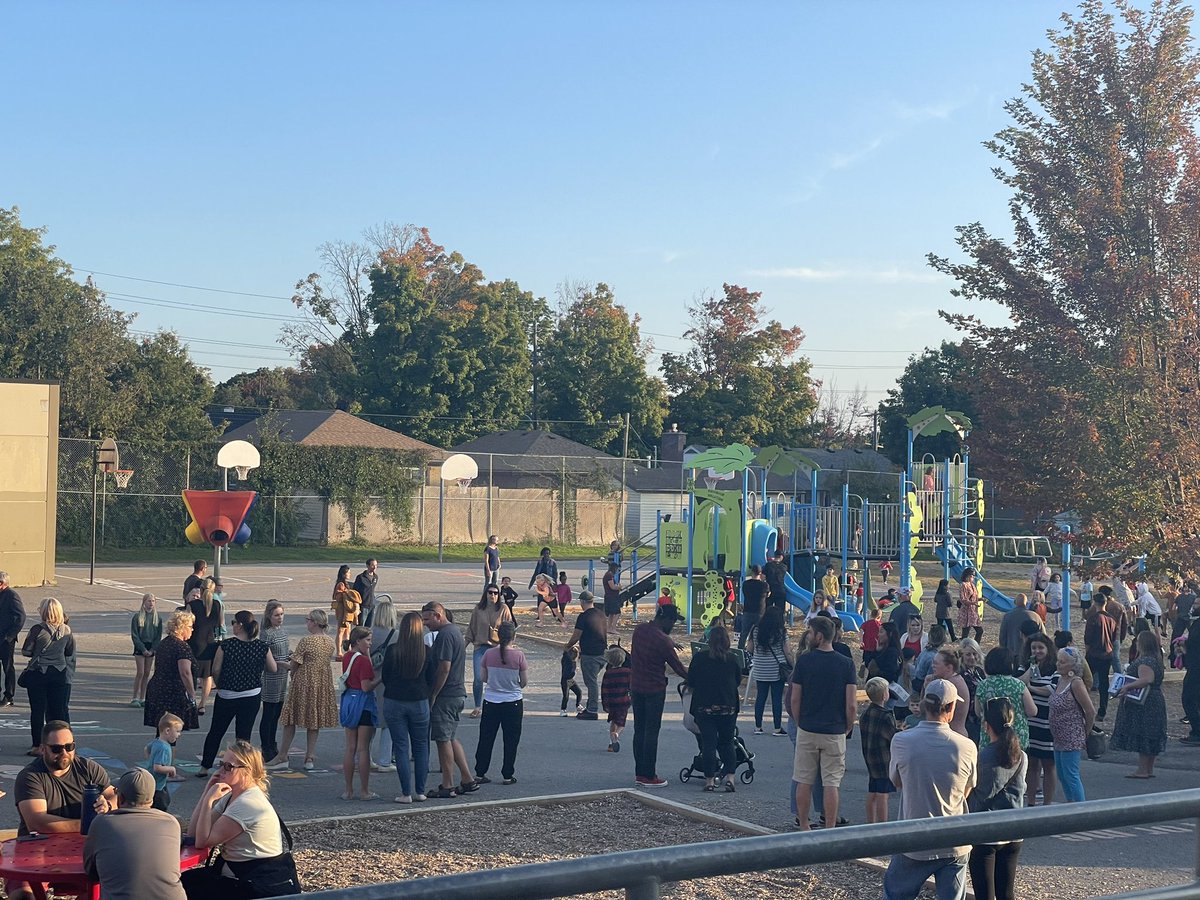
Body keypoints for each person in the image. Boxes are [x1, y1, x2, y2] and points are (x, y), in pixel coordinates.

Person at [883, 679, 978, 900]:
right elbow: (966, 790)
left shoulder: (902, 740)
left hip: (913, 838)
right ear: (952, 707)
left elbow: (898, 782)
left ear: (924, 703)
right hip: (954, 840)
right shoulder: (966, 746)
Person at [184, 740, 297, 900]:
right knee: (181, 884)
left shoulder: (247, 803)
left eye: (228, 767)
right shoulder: (232, 796)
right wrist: (206, 793)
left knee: (182, 889)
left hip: (253, 884)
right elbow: (193, 833)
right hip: (239, 876)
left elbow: (202, 842)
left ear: (247, 771)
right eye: (222, 764)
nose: (221, 770)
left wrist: (209, 801)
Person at [791, 616, 857, 832]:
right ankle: (829, 825)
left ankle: (803, 825)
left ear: (819, 636)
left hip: (809, 726)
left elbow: (795, 698)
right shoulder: (846, 664)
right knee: (831, 782)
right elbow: (851, 704)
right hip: (834, 729)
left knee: (804, 779)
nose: (808, 636)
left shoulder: (804, 661)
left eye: (810, 632)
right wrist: (848, 725)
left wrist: (800, 720)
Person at [82, 767, 186, 900]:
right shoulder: (171, 823)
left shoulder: (102, 823)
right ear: (152, 798)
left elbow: (91, 872)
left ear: (120, 798)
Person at [198, 610, 277, 778]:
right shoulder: (261, 646)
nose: (232, 625)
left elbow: (216, 669)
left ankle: (205, 766)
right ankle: (242, 768)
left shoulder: (227, 645)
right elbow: (273, 668)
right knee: (243, 734)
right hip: (251, 694)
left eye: (233, 622)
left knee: (216, 731)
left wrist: (220, 684)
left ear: (240, 625)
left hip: (228, 694)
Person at [967, 697, 1028, 900]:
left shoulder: (985, 756)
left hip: (986, 831)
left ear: (986, 726)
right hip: (1014, 828)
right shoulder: (1021, 755)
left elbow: (984, 794)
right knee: (1006, 894)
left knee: (984, 895)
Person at [269, 609, 338, 771]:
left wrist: (278, 662)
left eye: (308, 620)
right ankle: (309, 757)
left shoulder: (307, 641)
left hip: (304, 682)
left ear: (314, 622)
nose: (306, 623)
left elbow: (293, 665)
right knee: (314, 721)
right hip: (321, 683)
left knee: (290, 718)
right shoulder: (329, 642)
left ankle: (283, 755)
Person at [630, 604, 688, 787]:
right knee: (651, 732)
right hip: (654, 689)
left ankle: (640, 772)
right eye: (673, 621)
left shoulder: (639, 630)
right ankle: (649, 775)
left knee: (639, 730)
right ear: (667, 620)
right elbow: (678, 668)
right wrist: (698, 678)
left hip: (636, 686)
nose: (673, 625)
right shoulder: (663, 640)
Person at [423, 601, 477, 798]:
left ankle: (447, 784)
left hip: (446, 694)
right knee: (451, 737)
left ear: (438, 615)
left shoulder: (445, 635)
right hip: (456, 692)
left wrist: (434, 694)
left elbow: (444, 667)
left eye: (427, 619)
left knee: (443, 739)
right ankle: (467, 778)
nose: (425, 624)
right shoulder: (454, 631)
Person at [381, 611, 431, 803]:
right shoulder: (426, 651)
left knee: (401, 747)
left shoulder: (393, 650)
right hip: (419, 701)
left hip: (395, 700)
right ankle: (420, 790)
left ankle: (405, 793)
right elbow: (432, 678)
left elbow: (385, 677)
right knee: (421, 746)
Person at [686, 625, 742, 792]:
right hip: (728, 706)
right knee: (727, 742)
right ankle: (730, 778)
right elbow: (737, 681)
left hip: (705, 706)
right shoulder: (732, 659)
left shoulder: (700, 658)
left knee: (708, 743)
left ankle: (709, 780)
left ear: (709, 641)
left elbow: (692, 680)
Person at [474, 622, 527, 786]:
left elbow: (483, 678)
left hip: (491, 700)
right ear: (514, 637)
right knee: (511, 739)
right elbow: (523, 682)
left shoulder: (489, 654)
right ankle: (507, 774)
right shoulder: (519, 656)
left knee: (486, 738)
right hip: (513, 701)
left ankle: (480, 772)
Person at [1110, 629, 1168, 778]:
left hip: (1146, 701)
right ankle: (1149, 769)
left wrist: (1127, 686)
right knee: (1152, 733)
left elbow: (1146, 679)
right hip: (1155, 699)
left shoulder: (1145, 661)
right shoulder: (1157, 659)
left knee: (1144, 732)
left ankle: (1142, 770)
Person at [21, 598, 76, 755]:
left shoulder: (38, 629)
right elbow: (69, 652)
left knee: (37, 710)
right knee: (58, 710)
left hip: (39, 673)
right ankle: (64, 743)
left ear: (44, 612)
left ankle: (38, 745)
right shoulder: (67, 630)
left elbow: (26, 651)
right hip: (59, 672)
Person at [339, 626, 380, 801]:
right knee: (363, 749)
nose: (370, 644)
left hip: (349, 700)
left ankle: (348, 790)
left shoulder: (348, 656)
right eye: (368, 640)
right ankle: (364, 790)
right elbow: (366, 686)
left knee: (350, 747)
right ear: (358, 641)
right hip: (363, 703)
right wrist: (379, 678)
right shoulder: (363, 661)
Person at [144, 610, 200, 734]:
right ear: (182, 627)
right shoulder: (182, 647)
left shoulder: (164, 643)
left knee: (163, 731)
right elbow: (185, 672)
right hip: (173, 693)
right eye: (190, 627)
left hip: (158, 689)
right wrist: (192, 694)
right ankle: (165, 753)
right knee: (172, 732)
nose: (192, 630)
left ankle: (159, 752)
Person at [1049, 647, 1093, 803]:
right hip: (1058, 736)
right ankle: (1070, 805)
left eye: (1063, 662)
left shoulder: (1076, 683)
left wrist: (1085, 732)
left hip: (1071, 735)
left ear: (1072, 665)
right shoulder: (1061, 680)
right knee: (1062, 775)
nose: (1058, 665)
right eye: (1058, 661)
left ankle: (1080, 810)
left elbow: (1090, 710)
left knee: (1071, 775)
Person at [1019, 633, 1058, 805]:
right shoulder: (1025, 666)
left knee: (1049, 765)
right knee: (1032, 764)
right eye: (1034, 648)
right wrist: (1031, 667)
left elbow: (1052, 689)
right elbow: (1019, 683)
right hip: (1031, 724)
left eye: (1040, 648)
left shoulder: (1055, 668)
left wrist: (1031, 688)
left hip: (1047, 723)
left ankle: (1047, 804)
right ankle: (1031, 801)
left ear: (1048, 649)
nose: (1037, 651)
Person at [466, 585, 514, 717]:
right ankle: (477, 706)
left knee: (496, 678)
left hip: (497, 648)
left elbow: (509, 629)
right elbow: (471, 629)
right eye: (490, 593)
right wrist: (461, 648)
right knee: (478, 678)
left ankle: (497, 705)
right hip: (481, 647)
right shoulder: (478, 609)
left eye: (496, 593)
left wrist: (509, 648)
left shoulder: (503, 609)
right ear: (485, 594)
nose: (493, 595)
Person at [975, 647, 1037, 750]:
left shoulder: (982, 685)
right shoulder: (1018, 685)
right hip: (1016, 739)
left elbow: (978, 712)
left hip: (989, 738)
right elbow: (1032, 711)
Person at [367, 600, 400, 772]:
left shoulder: (369, 634)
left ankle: (364, 757)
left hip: (368, 680)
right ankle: (384, 760)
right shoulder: (396, 635)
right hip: (387, 682)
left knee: (368, 722)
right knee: (387, 723)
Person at [860, 677, 897, 824]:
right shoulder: (886, 716)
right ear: (884, 695)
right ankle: (883, 823)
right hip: (883, 759)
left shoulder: (865, 714)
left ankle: (871, 822)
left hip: (870, 756)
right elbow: (891, 737)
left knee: (872, 791)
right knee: (883, 793)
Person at [565, 589, 607, 719]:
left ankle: (592, 710)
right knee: (592, 680)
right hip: (603, 652)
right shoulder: (601, 614)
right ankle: (590, 706)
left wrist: (567, 647)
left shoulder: (583, 616)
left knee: (591, 682)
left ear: (582, 602)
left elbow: (576, 636)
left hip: (590, 654)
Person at [749, 607, 791, 735]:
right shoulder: (781, 632)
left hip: (760, 668)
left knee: (760, 697)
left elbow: (749, 648)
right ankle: (777, 728)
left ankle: (758, 727)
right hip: (776, 669)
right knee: (776, 699)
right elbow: (787, 651)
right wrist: (792, 664)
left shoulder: (755, 630)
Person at [259, 601, 290, 769]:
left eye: (281, 614)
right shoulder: (266, 634)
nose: (280, 618)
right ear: (269, 617)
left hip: (283, 677)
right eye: (276, 615)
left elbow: (285, 650)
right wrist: (280, 662)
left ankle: (273, 743)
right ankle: (267, 747)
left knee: (277, 713)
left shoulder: (282, 631)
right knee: (269, 714)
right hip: (271, 677)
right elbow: (264, 656)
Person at [187, 578, 223, 715]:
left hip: (194, 642)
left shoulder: (193, 605)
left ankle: (192, 700)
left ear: (201, 590)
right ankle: (202, 703)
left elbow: (188, 623)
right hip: (209, 643)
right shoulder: (216, 605)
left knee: (191, 673)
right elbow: (219, 625)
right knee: (207, 676)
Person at [143, 711, 184, 811]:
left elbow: (146, 748)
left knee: (165, 799)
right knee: (161, 804)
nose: (179, 735)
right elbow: (157, 767)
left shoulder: (157, 741)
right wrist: (171, 769)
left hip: (157, 781)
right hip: (157, 784)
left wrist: (150, 759)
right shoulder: (163, 747)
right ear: (167, 731)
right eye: (177, 731)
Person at [129, 593, 162, 707]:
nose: (151, 603)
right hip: (140, 646)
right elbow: (135, 635)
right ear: (144, 602)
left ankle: (143, 697)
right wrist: (142, 649)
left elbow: (158, 636)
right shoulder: (137, 617)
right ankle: (135, 697)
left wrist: (153, 649)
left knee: (147, 673)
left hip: (151, 646)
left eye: (153, 601)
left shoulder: (158, 618)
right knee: (140, 672)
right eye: (149, 601)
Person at [930, 647, 971, 737]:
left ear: (949, 667)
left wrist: (926, 687)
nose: (932, 665)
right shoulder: (957, 679)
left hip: (952, 735)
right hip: (957, 733)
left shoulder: (948, 685)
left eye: (936, 663)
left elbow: (927, 710)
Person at [0, 571, 26, 708]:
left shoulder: (11, 596)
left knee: (8, 667)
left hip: (5, 640)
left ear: (2, 584)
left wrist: (10, 635)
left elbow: (21, 617)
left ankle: (9, 695)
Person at [602, 645, 632, 752]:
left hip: (611, 702)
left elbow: (604, 689)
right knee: (621, 723)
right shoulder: (628, 672)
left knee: (613, 721)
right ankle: (617, 734)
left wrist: (605, 705)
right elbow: (631, 686)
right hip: (623, 701)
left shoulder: (608, 673)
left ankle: (611, 743)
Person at [999, 593, 1042, 662]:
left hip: (1013, 652)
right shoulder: (1035, 616)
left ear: (1015, 602)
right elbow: (1043, 634)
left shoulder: (1007, 616)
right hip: (1032, 652)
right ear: (1026, 602)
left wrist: (1003, 650)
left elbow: (1002, 637)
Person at [959, 639, 986, 743]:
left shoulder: (979, 671)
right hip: (968, 719)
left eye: (975, 654)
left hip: (980, 718)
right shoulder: (960, 674)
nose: (972, 657)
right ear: (962, 656)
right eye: (968, 654)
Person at [331, 564, 359, 660]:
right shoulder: (341, 584)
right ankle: (338, 651)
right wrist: (346, 593)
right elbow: (337, 597)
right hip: (342, 610)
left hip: (347, 611)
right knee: (341, 631)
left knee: (348, 630)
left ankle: (348, 649)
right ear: (343, 574)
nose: (350, 574)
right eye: (348, 572)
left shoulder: (346, 584)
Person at [739, 565, 768, 649]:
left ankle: (741, 650)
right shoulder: (764, 585)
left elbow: (744, 593)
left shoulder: (746, 584)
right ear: (761, 573)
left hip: (747, 611)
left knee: (744, 633)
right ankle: (759, 649)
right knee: (760, 633)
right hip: (760, 612)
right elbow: (768, 595)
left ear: (752, 572)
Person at [958, 568, 983, 644]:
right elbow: (963, 599)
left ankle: (975, 645)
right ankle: (965, 648)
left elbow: (974, 597)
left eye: (973, 576)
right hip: (966, 612)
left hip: (973, 612)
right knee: (966, 633)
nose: (973, 577)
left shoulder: (972, 585)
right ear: (967, 576)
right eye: (972, 575)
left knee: (979, 631)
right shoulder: (963, 585)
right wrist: (972, 603)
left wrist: (980, 599)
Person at [353, 558, 379, 627]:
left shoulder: (375, 577)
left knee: (369, 627)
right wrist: (357, 604)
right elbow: (355, 591)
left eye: (376, 565)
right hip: (363, 605)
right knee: (361, 626)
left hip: (372, 605)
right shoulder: (360, 577)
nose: (375, 567)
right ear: (367, 566)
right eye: (372, 565)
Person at [603, 562, 623, 630]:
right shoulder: (609, 575)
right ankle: (613, 628)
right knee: (617, 612)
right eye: (617, 569)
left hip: (610, 596)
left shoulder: (608, 575)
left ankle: (609, 628)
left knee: (611, 614)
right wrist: (619, 587)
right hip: (611, 597)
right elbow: (612, 587)